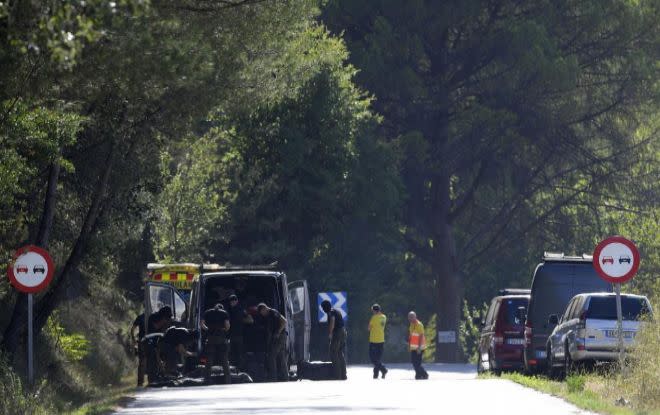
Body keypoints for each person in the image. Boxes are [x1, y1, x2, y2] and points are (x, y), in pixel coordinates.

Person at [257, 303, 288, 382]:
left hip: (280, 337)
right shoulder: (268, 316)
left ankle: (273, 377)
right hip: (277, 337)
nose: (262, 314)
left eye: (262, 312)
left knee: (272, 356)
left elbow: (284, 321)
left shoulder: (273, 312)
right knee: (281, 357)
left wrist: (278, 332)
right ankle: (285, 377)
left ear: (264, 309)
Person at [202, 303, 231, 384]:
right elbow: (227, 326)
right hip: (221, 338)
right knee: (224, 359)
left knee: (209, 360)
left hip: (210, 338)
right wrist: (224, 330)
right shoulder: (224, 313)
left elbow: (202, 324)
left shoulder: (207, 312)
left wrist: (208, 329)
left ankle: (207, 379)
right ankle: (228, 380)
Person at [321, 300, 347, 380]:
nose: (322, 309)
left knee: (333, 353)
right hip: (343, 332)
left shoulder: (331, 312)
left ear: (325, 307)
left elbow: (332, 320)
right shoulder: (337, 311)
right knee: (339, 353)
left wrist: (330, 333)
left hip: (337, 333)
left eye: (323, 307)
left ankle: (337, 375)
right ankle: (343, 375)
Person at [227, 294, 253, 371]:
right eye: (231, 302)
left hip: (237, 335)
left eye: (233, 301)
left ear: (236, 301)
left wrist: (240, 321)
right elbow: (250, 320)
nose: (232, 303)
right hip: (233, 335)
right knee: (234, 354)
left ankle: (238, 370)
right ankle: (236, 369)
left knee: (237, 354)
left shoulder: (240, 309)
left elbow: (250, 320)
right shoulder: (233, 309)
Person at [368, 304, 388, 379]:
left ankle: (383, 369)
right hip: (381, 340)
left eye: (372, 310)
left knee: (373, 358)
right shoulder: (384, 317)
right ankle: (376, 374)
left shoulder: (374, 317)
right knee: (378, 359)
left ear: (374, 310)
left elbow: (369, 328)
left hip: (373, 340)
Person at [408, 311, 428, 380]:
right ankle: (420, 374)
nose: (410, 318)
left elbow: (421, 336)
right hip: (413, 347)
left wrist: (419, 347)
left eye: (411, 317)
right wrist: (409, 345)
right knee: (414, 362)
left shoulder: (419, 324)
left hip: (420, 347)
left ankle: (423, 374)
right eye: (409, 317)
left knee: (417, 363)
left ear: (415, 317)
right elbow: (411, 335)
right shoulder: (411, 324)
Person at [130, 312, 147, 386]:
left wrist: (134, 339)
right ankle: (140, 382)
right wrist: (134, 339)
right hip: (144, 341)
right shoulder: (153, 315)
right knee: (143, 361)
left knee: (142, 362)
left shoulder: (141, 317)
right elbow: (133, 329)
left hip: (142, 341)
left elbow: (132, 329)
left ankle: (140, 383)